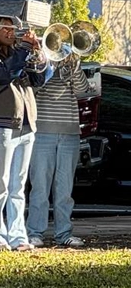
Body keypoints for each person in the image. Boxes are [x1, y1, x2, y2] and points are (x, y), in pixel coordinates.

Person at [0, 15, 52, 251]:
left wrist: (39, 52)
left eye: (13, 28)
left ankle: (17, 235)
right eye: (5, 28)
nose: (11, 32)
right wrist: (22, 49)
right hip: (2, 123)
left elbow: (40, 79)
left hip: (26, 124)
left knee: (18, 185)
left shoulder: (20, 54)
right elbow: (2, 75)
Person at [26, 56, 90, 248]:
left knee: (65, 188)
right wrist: (47, 65)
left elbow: (82, 90)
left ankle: (64, 233)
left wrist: (74, 65)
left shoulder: (70, 65)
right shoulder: (39, 64)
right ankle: (35, 233)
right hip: (42, 131)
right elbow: (34, 88)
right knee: (40, 186)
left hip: (69, 132)